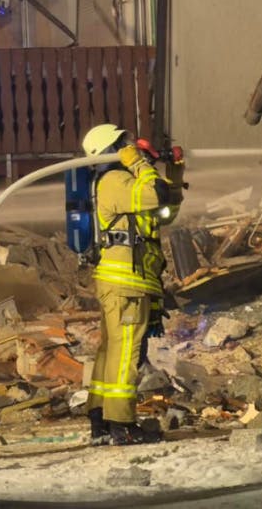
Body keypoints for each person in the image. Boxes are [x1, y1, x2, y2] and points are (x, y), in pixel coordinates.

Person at [81, 124, 184, 446]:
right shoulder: (115, 181)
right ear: (113, 150)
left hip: (128, 280)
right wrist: (140, 163)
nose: (132, 147)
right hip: (125, 282)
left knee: (112, 352)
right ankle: (121, 423)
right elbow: (153, 193)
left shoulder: (124, 182)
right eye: (124, 144)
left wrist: (174, 172)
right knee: (126, 354)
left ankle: (101, 418)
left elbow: (164, 211)